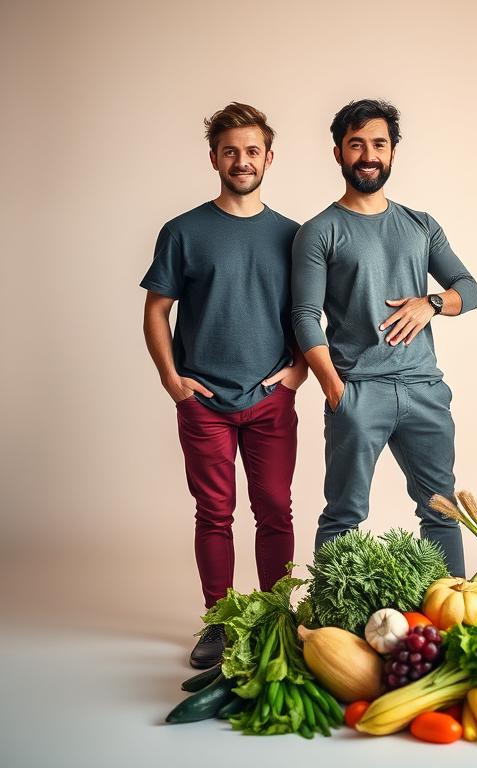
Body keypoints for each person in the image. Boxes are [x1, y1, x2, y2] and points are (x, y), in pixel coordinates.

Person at [141, 103, 306, 668]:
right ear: (214, 157)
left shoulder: (293, 236)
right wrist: (171, 378)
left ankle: (276, 617)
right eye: (230, 151)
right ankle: (218, 620)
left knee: (276, 512)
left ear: (269, 158)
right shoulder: (183, 231)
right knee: (214, 513)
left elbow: (307, 313)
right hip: (205, 401)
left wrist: (299, 372)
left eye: (252, 150)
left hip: (269, 398)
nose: (242, 161)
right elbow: (157, 309)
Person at [291, 99, 477, 576]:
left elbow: (470, 290)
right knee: (344, 515)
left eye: (379, 143)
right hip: (358, 391)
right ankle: (331, 627)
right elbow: (305, 317)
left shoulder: (421, 225)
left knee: (441, 511)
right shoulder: (319, 231)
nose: (369, 154)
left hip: (423, 389)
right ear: (338, 153)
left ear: (393, 151)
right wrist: (336, 390)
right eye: (357, 144)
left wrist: (431, 303)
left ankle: (448, 623)